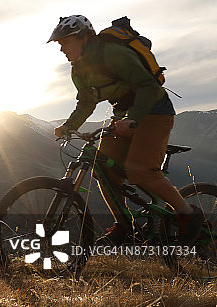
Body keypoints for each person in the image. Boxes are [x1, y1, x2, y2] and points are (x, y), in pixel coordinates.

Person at [48, 15, 203, 246]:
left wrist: (133, 119)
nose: (61, 49)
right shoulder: (78, 69)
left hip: (153, 109)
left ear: (84, 38)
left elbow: (149, 87)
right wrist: (69, 126)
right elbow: (86, 102)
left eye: (65, 42)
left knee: (141, 171)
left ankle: (188, 213)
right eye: (59, 44)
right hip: (123, 114)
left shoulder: (112, 53)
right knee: (104, 171)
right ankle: (124, 225)